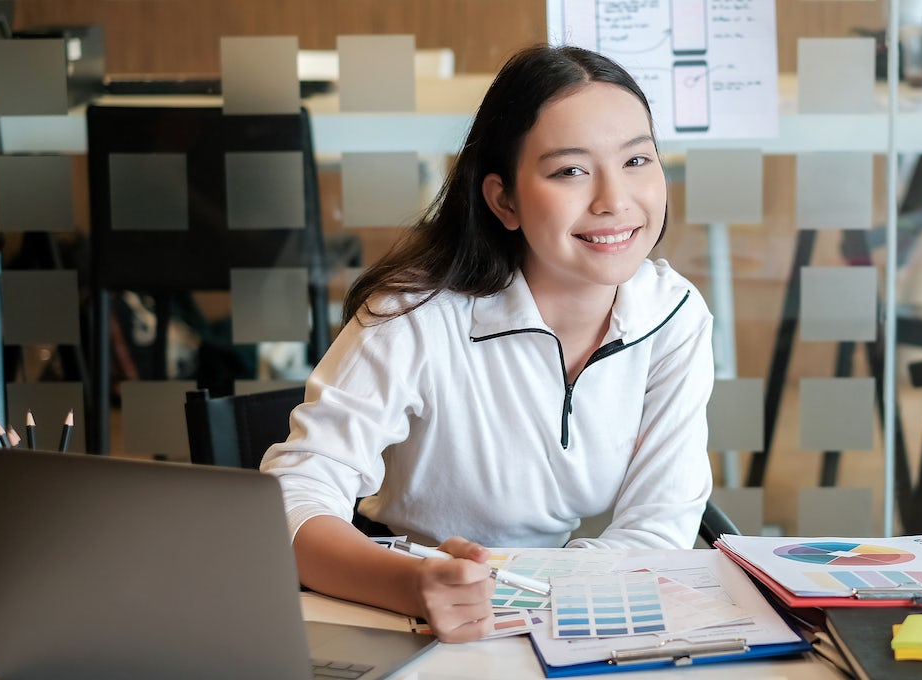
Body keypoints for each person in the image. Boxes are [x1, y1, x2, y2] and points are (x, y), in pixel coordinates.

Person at [259, 44, 714, 642]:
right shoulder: (415, 312)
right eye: (570, 170)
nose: (614, 200)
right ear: (504, 200)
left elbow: (657, 530)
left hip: (556, 620)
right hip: (397, 616)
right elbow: (294, 495)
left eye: (637, 160)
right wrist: (409, 584)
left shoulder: (673, 316)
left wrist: (525, 594)